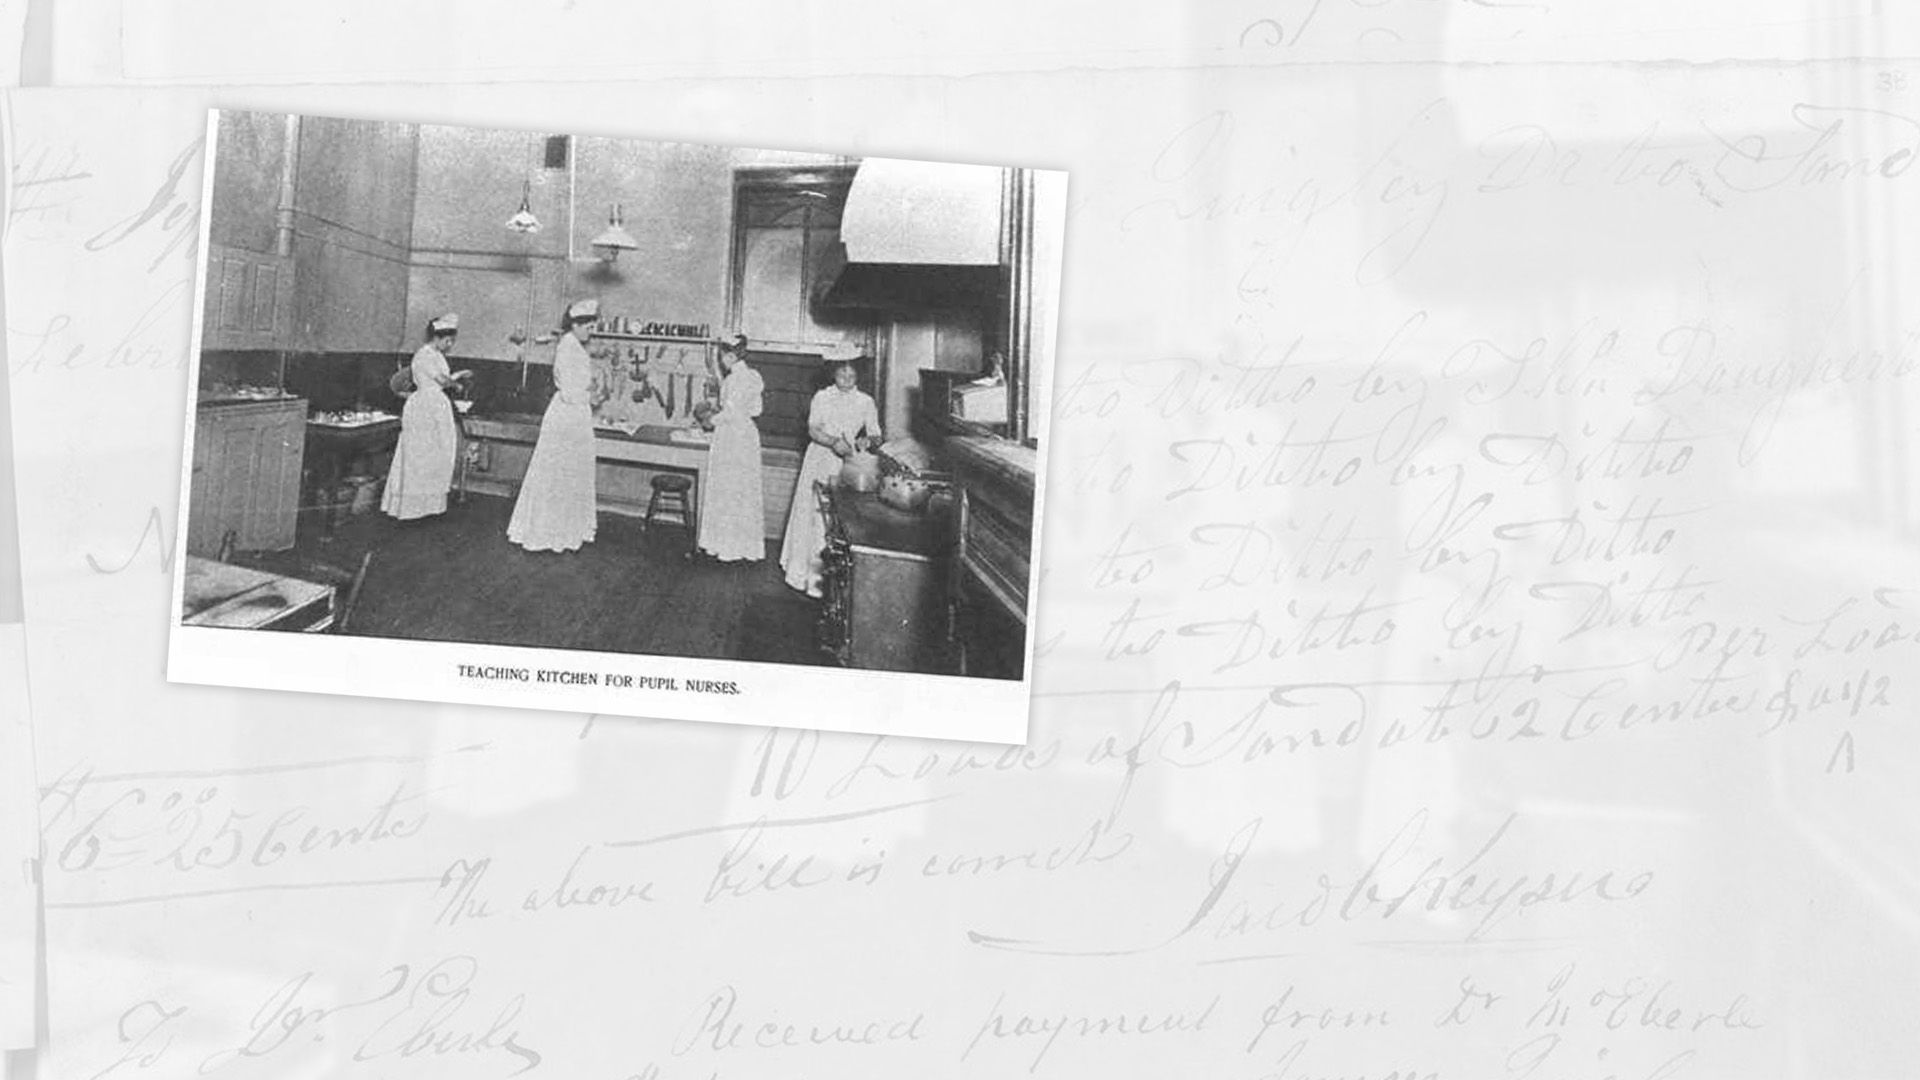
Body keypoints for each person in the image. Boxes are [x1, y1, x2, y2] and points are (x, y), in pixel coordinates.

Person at [780, 343, 881, 597]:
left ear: (857, 374)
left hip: (848, 464)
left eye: (851, 373)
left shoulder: (866, 401)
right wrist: (833, 442)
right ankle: (806, 577)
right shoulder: (822, 397)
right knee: (813, 513)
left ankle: (834, 586)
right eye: (841, 373)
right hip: (820, 458)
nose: (846, 378)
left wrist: (865, 441)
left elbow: (876, 434)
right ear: (833, 374)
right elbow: (813, 430)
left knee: (837, 520)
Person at [509, 299, 600, 552]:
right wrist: (591, 397)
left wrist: (589, 394)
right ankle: (550, 533)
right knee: (560, 472)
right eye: (588, 327)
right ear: (575, 324)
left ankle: (565, 529)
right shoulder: (568, 348)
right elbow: (572, 393)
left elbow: (578, 386)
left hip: (573, 415)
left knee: (569, 472)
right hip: (567, 416)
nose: (590, 331)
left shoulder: (574, 347)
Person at [382, 313, 470, 521]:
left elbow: (441, 380)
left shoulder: (437, 355)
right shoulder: (424, 355)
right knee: (418, 456)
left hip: (436, 405)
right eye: (447, 340)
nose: (450, 345)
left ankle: (428, 506)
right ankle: (411, 508)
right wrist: (457, 380)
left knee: (436, 455)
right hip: (424, 408)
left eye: (452, 341)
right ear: (437, 337)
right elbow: (441, 379)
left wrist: (455, 378)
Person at [697, 333, 766, 562]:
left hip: (734, 437)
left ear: (730, 355)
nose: (720, 361)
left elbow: (731, 413)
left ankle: (728, 547)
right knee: (739, 489)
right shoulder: (751, 376)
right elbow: (755, 409)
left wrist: (710, 420)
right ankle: (738, 546)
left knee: (730, 487)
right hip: (744, 434)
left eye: (721, 356)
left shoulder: (738, 379)